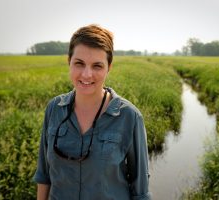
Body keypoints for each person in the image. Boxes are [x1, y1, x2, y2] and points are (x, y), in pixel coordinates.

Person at [33, 24, 151, 200]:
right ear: (69, 62)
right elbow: (44, 175)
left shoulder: (130, 117)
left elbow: (140, 191)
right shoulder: (54, 109)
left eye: (97, 66)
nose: (87, 74)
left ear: (109, 68)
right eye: (79, 63)